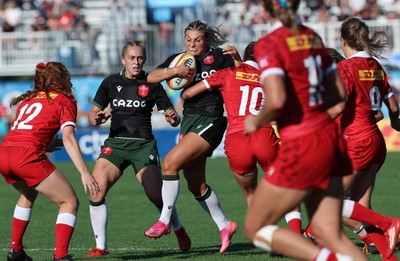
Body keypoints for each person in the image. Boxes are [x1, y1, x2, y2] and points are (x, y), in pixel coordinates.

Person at [243, 0, 367, 260]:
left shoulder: (269, 43)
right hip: (330, 139)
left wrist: (256, 120)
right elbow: (339, 92)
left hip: (302, 143)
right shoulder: (312, 37)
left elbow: (275, 100)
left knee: (255, 227)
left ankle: (327, 259)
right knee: (327, 232)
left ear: (265, 10)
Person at [85, 41, 191, 257]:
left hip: (143, 145)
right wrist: (98, 116)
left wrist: (172, 117)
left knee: (156, 195)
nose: (136, 62)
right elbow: (92, 116)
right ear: (123, 59)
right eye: (132, 58)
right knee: (96, 189)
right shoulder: (110, 82)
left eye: (140, 58)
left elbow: (173, 117)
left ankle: (177, 227)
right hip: (116, 144)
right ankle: (100, 247)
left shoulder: (152, 83)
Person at [144, 20, 239, 254]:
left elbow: (242, 75)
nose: (192, 44)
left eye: (197, 39)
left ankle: (165, 220)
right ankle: (225, 226)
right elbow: (151, 77)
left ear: (206, 39)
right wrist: (174, 71)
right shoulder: (180, 60)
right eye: (188, 39)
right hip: (189, 122)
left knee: (169, 163)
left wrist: (237, 58)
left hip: (212, 120)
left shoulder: (219, 57)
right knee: (195, 184)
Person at [0, 62, 99, 261]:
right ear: (60, 79)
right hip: (26, 157)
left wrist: (45, 145)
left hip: (4, 153)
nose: (70, 81)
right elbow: (69, 138)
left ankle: (16, 250)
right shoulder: (65, 100)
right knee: (69, 201)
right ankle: (60, 256)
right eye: (67, 77)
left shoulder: (28, 99)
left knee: (28, 194)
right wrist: (84, 172)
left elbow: (26, 132)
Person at [334, 17, 400, 259]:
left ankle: (388, 223)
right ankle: (388, 255)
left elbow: (339, 103)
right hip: (375, 141)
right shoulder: (375, 66)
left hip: (356, 141)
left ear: (343, 41)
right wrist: (395, 123)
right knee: (361, 207)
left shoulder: (346, 68)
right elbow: (393, 108)